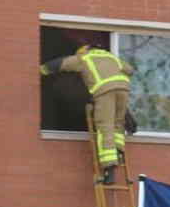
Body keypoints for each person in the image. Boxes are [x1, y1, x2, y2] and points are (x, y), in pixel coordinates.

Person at [40, 45, 133, 185]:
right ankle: (118, 152)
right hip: (124, 89)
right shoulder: (111, 57)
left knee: (105, 127)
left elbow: (61, 64)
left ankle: (109, 168)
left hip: (104, 92)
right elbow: (130, 70)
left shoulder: (84, 58)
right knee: (118, 123)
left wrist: (41, 70)